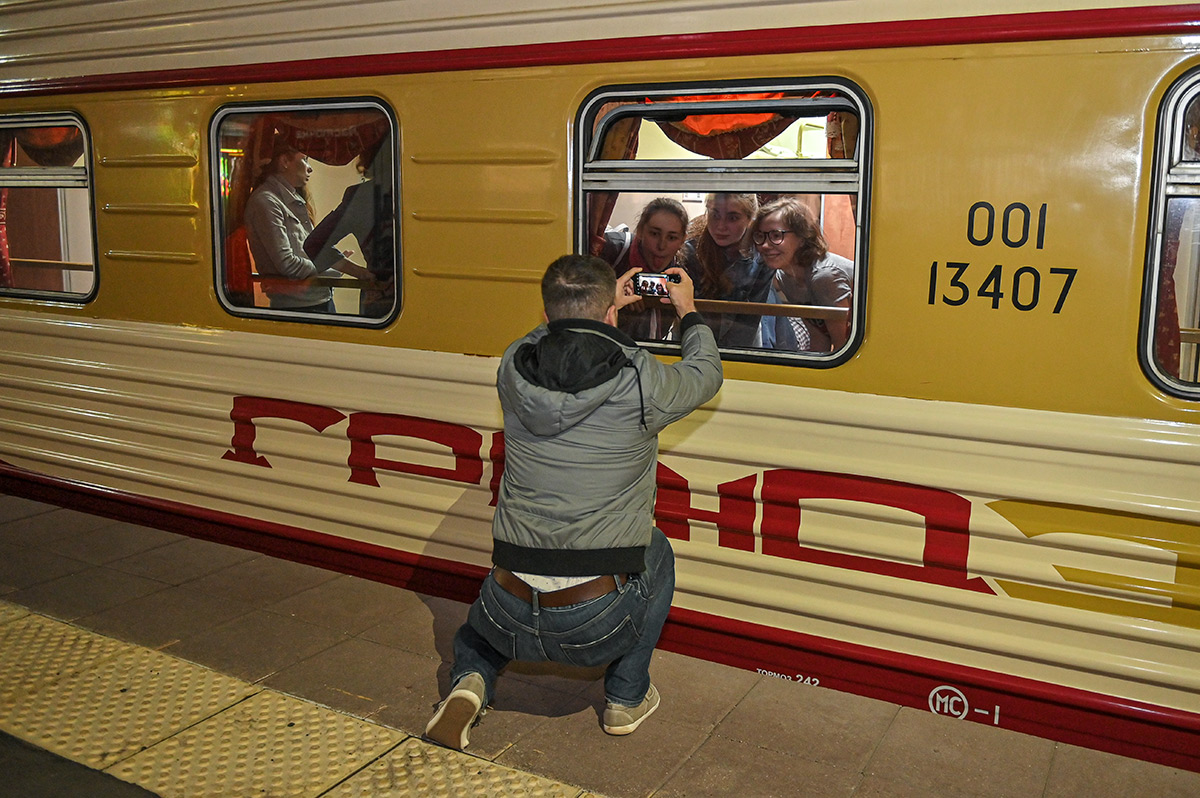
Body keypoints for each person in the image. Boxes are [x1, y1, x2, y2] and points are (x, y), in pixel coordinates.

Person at [424, 254, 723, 750]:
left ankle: (470, 682)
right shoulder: (642, 378)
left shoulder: (512, 365)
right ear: (611, 314)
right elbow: (706, 373)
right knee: (657, 551)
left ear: (545, 316)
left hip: (506, 610)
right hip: (594, 625)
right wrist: (686, 310)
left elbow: (544, 336)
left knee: (478, 631)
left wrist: (585, 313)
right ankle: (625, 699)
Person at [243, 139, 371, 313]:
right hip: (298, 307)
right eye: (305, 160)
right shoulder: (265, 202)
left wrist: (342, 266)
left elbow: (309, 253)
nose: (309, 168)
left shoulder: (288, 199)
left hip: (314, 300)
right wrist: (331, 267)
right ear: (285, 162)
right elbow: (287, 264)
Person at [304, 141, 396, 317]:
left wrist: (361, 273)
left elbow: (314, 245)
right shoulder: (423, 194)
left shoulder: (358, 197)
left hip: (379, 297)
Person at [753, 197, 854, 352]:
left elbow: (844, 346)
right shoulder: (785, 277)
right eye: (761, 236)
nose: (765, 245)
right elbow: (820, 336)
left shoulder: (824, 276)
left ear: (802, 238)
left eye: (776, 235)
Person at [682, 193, 772, 348]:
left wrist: (730, 358)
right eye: (715, 215)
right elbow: (683, 309)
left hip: (742, 338)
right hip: (693, 334)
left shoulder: (762, 254)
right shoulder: (690, 247)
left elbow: (750, 320)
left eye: (732, 218)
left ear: (750, 220)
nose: (721, 226)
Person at [596, 198, 688, 341]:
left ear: (682, 240)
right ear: (640, 231)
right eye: (654, 234)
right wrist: (609, 294)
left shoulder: (682, 271)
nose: (661, 246)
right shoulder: (611, 250)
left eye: (672, 237)